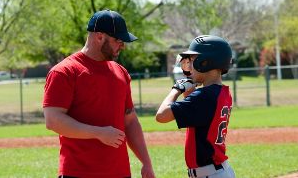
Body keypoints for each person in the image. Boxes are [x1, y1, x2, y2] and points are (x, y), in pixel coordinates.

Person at [43, 9, 155, 178]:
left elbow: (130, 121)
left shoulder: (121, 72)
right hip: (78, 173)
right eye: (118, 40)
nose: (123, 45)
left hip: (120, 172)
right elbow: (53, 121)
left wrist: (146, 162)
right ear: (100, 36)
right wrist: (98, 133)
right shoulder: (64, 72)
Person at [156, 35, 236, 178]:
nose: (189, 66)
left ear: (205, 63)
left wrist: (176, 89)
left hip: (210, 174)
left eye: (193, 61)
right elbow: (194, 113)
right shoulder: (221, 92)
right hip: (216, 171)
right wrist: (189, 89)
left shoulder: (204, 96)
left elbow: (161, 116)